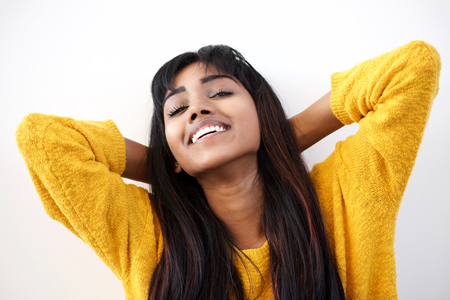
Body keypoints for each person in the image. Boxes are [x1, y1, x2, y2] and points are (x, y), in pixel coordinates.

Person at [16, 40, 441, 300]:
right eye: (177, 109)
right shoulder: (146, 235)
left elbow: (411, 67)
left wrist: (272, 141)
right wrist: (173, 166)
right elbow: (44, 139)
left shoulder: (345, 196)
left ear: (263, 111)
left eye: (220, 91)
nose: (198, 107)